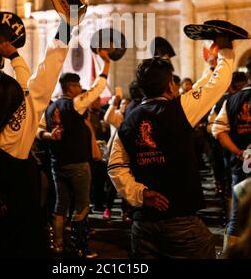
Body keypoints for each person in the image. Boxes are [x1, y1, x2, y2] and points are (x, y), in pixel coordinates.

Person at [108, 35, 234, 259]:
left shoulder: (128, 121)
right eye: (174, 83)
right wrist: (224, 49)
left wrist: (139, 194)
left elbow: (116, 165)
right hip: (180, 224)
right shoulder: (180, 111)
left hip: (142, 226)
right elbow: (219, 85)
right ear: (169, 86)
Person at [0, 37, 68, 259]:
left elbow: (26, 94)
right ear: (9, 108)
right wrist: (68, 24)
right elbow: (38, 87)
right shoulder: (11, 140)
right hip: (22, 247)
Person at [37, 50, 111, 259]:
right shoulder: (75, 104)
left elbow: (39, 131)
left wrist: (49, 136)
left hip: (56, 163)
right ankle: (80, 247)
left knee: (60, 206)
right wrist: (106, 64)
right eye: (78, 86)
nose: (80, 89)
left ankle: (58, 246)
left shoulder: (50, 108)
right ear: (71, 88)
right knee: (81, 207)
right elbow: (99, 88)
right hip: (77, 164)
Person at [212, 63, 251, 251]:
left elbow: (218, 130)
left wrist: (238, 152)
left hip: (241, 165)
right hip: (241, 165)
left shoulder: (233, 99)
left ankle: (230, 254)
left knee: (237, 215)